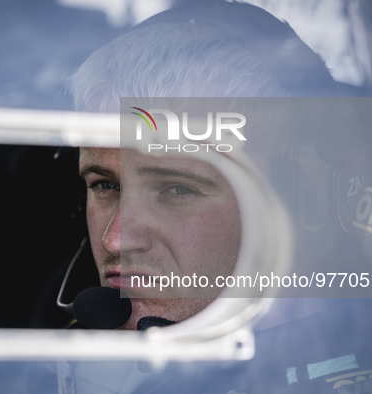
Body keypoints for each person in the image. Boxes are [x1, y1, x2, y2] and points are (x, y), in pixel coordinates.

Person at [68, 0, 337, 331]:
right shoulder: (50, 373)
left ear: (302, 197)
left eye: (178, 189)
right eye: (105, 185)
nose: (116, 240)